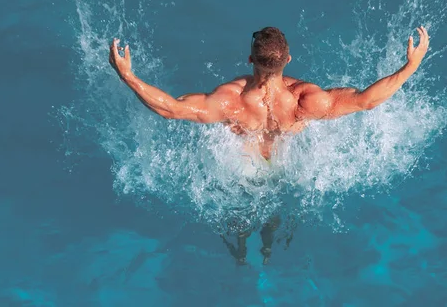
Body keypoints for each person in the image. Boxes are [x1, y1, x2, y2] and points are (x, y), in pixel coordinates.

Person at [109, 26, 430, 263]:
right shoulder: (307, 99)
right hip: (283, 166)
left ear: (250, 59)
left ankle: (241, 252)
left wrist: (128, 75)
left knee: (239, 216)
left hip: (241, 169)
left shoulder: (229, 101)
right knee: (274, 213)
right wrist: (411, 65)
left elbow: (170, 109)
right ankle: (266, 249)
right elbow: (366, 101)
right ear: (288, 59)